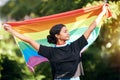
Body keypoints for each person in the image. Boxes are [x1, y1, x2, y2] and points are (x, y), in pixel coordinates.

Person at [3, 4, 108, 80]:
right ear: (57, 35)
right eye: (65, 32)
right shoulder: (50, 52)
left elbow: (91, 28)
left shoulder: (76, 45)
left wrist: (102, 12)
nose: (68, 33)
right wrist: (12, 31)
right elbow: (29, 40)